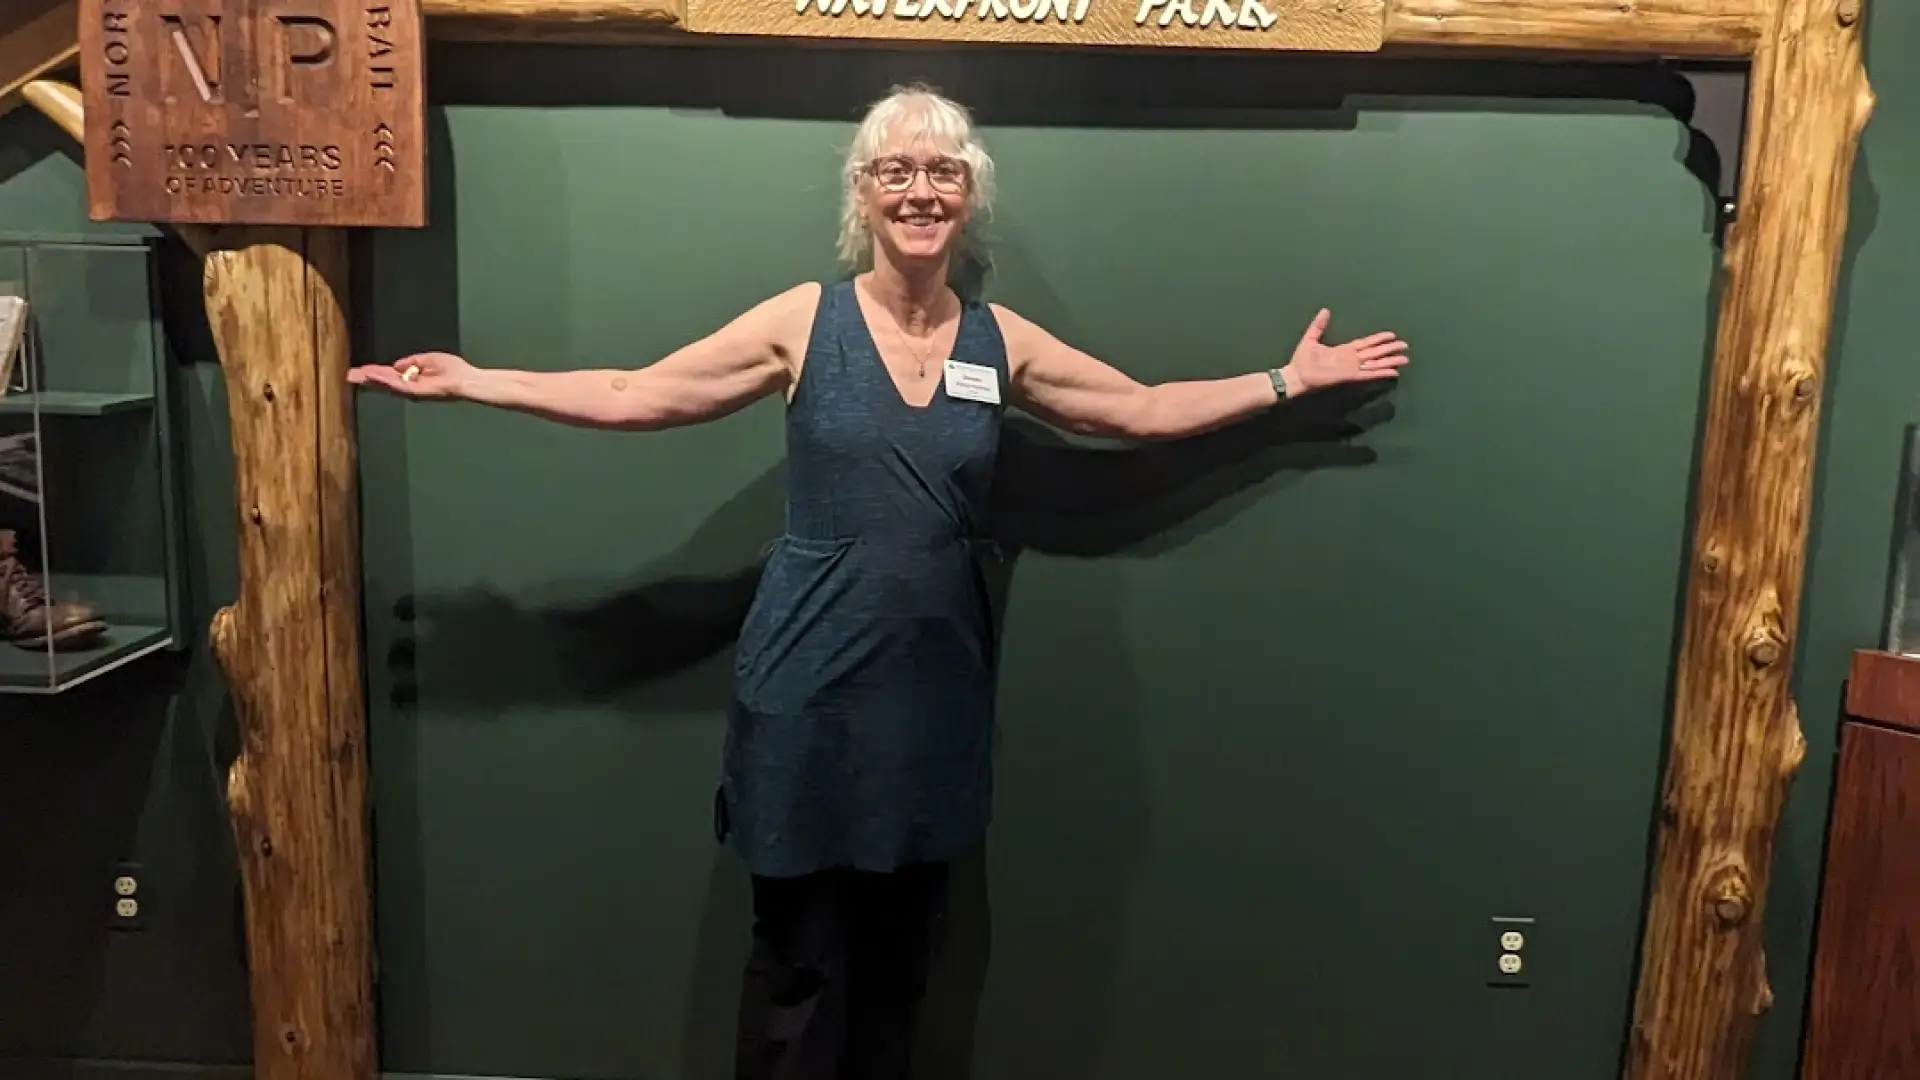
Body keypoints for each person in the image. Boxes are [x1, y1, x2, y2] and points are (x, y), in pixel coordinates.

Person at [348, 84, 1409, 1080]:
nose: (919, 190)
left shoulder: (1001, 341)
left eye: (942, 171)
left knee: (904, 961)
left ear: (969, 193)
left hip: (933, 688)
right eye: (895, 170)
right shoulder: (804, 322)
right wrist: (477, 381)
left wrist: (1286, 381)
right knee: (798, 955)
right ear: (862, 193)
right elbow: (640, 393)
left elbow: (1136, 410)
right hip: (803, 685)